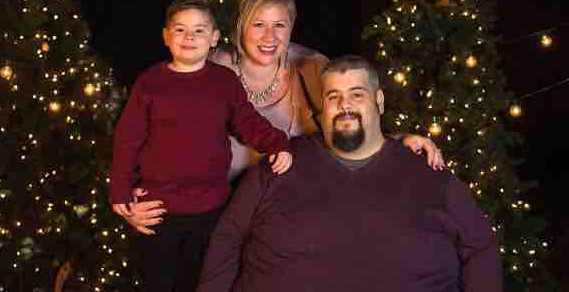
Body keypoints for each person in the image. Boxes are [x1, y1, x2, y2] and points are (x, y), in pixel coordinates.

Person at [118, 0, 444, 234]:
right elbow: (147, 134)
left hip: (293, 216)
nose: (269, 36)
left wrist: (398, 141)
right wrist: (132, 199)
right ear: (239, 26)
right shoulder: (208, 69)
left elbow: (349, 126)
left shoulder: (312, 68)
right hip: (213, 217)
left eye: (280, 25)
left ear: (292, 27)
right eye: (258, 24)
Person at [196, 54, 503, 292]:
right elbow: (227, 237)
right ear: (322, 107)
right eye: (333, 96)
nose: (344, 105)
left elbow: (480, 247)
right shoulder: (279, 164)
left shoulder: (427, 173)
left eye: (357, 94)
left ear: (379, 101)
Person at [109, 0, 293, 291]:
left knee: (198, 282)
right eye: (180, 30)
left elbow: (247, 121)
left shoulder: (224, 81)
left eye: (199, 30)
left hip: (210, 207)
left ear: (214, 38)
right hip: (158, 208)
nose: (189, 37)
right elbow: (128, 139)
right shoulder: (150, 83)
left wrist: (277, 144)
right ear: (166, 36)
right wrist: (120, 189)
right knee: (156, 282)